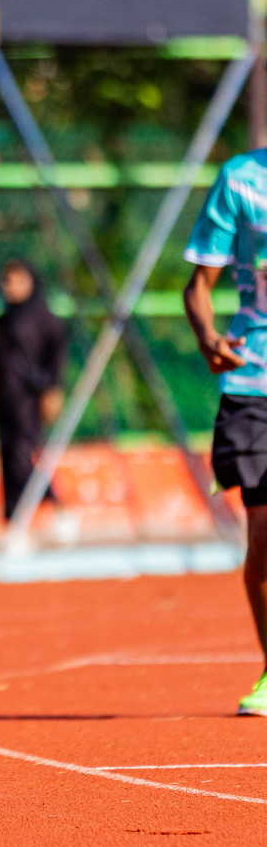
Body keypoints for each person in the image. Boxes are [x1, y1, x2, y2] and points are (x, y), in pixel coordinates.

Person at [182, 149, 267, 717]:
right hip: (255, 381)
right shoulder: (241, 179)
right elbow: (198, 286)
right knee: (265, 532)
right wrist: (207, 333)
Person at [0, 258, 68, 526]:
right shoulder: (3, 318)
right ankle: (12, 515)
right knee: (8, 456)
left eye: (15, 280)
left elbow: (57, 355)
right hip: (3, 401)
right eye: (6, 280)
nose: (9, 286)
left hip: (29, 400)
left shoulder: (43, 316)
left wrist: (52, 390)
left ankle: (51, 500)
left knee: (21, 457)